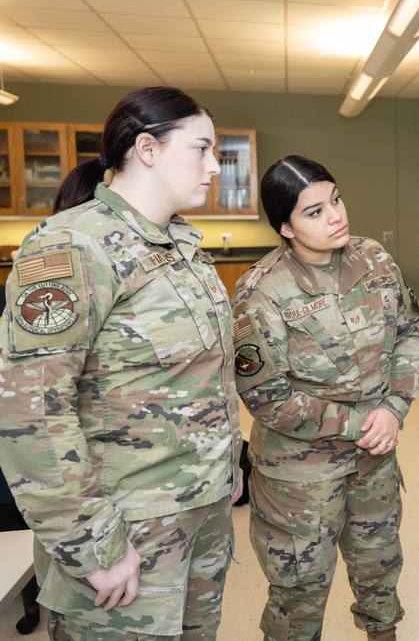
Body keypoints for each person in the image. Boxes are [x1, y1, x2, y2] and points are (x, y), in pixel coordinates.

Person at [0, 85, 243, 639]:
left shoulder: (181, 245)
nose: (213, 167)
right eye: (201, 149)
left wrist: (225, 470)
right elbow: (30, 413)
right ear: (148, 149)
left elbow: (201, 376)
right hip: (125, 526)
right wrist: (92, 545)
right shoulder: (74, 247)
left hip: (199, 511)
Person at [230, 155, 419, 641]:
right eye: (314, 211)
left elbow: (408, 331)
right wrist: (362, 423)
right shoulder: (260, 291)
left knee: (380, 572)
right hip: (300, 478)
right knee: (299, 596)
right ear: (285, 226)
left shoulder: (373, 257)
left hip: (374, 461)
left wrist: (394, 407)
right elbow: (267, 398)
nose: (336, 216)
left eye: (335, 199)